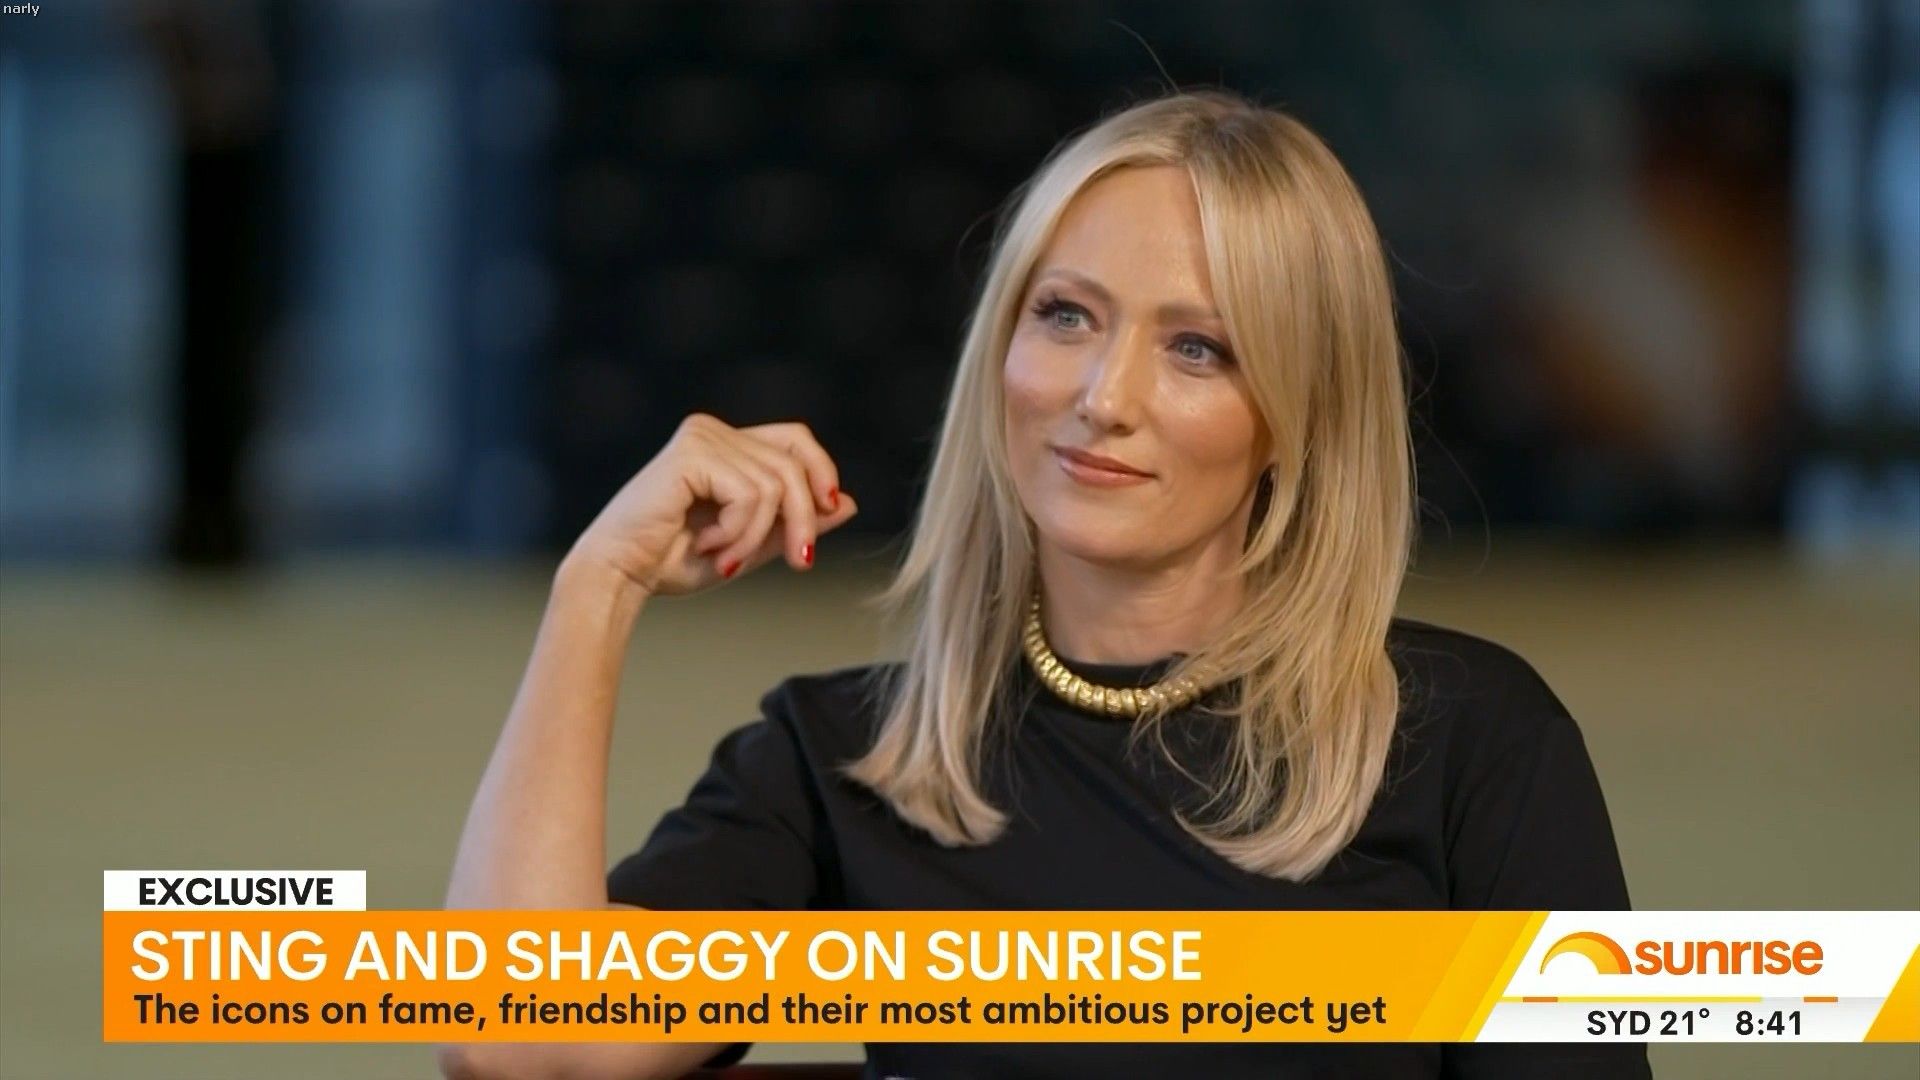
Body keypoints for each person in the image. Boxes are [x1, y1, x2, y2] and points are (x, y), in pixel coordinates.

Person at [439, 90, 1650, 1080]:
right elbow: (521, 1044)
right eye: (1066, 316)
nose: (1102, 397)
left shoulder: (1469, 741)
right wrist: (596, 586)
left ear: (1298, 414)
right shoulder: (850, 760)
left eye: (1197, 348)